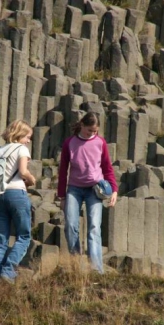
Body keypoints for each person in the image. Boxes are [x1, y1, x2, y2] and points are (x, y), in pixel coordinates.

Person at [57, 112, 118, 274]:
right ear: (81, 125)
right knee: (70, 225)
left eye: (95, 131)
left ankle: (97, 269)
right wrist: (61, 196)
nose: (92, 134)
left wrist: (114, 190)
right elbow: (63, 171)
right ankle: (77, 262)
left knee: (94, 227)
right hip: (74, 190)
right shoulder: (69, 143)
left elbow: (107, 168)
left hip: (94, 190)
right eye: (89, 130)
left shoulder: (100, 143)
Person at [0, 120, 36, 284]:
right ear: (19, 134)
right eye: (27, 136)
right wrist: (32, 179)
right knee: (24, 236)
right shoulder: (21, 149)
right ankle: (9, 270)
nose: (28, 141)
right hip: (17, 194)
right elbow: (23, 172)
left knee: (0, 241)